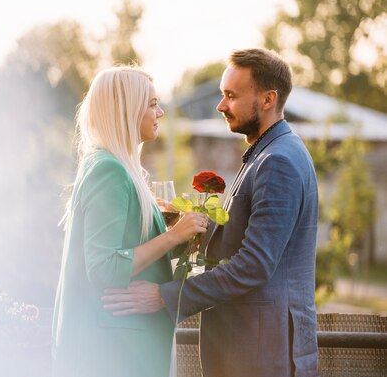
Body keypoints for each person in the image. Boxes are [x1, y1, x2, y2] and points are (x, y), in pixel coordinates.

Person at [103, 49, 320, 377]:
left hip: (261, 356)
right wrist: (189, 228)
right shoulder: (269, 153)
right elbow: (244, 242)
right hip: (256, 352)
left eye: (231, 96)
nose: (220, 105)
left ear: (267, 99)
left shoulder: (278, 162)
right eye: (222, 95)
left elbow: (254, 265)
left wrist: (166, 297)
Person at [51, 66, 209, 377]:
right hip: (112, 351)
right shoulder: (108, 170)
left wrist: (179, 239)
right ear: (126, 110)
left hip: (121, 347)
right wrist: (173, 236)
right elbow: (104, 267)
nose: (160, 112)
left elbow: (130, 252)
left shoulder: (113, 166)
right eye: (151, 104)